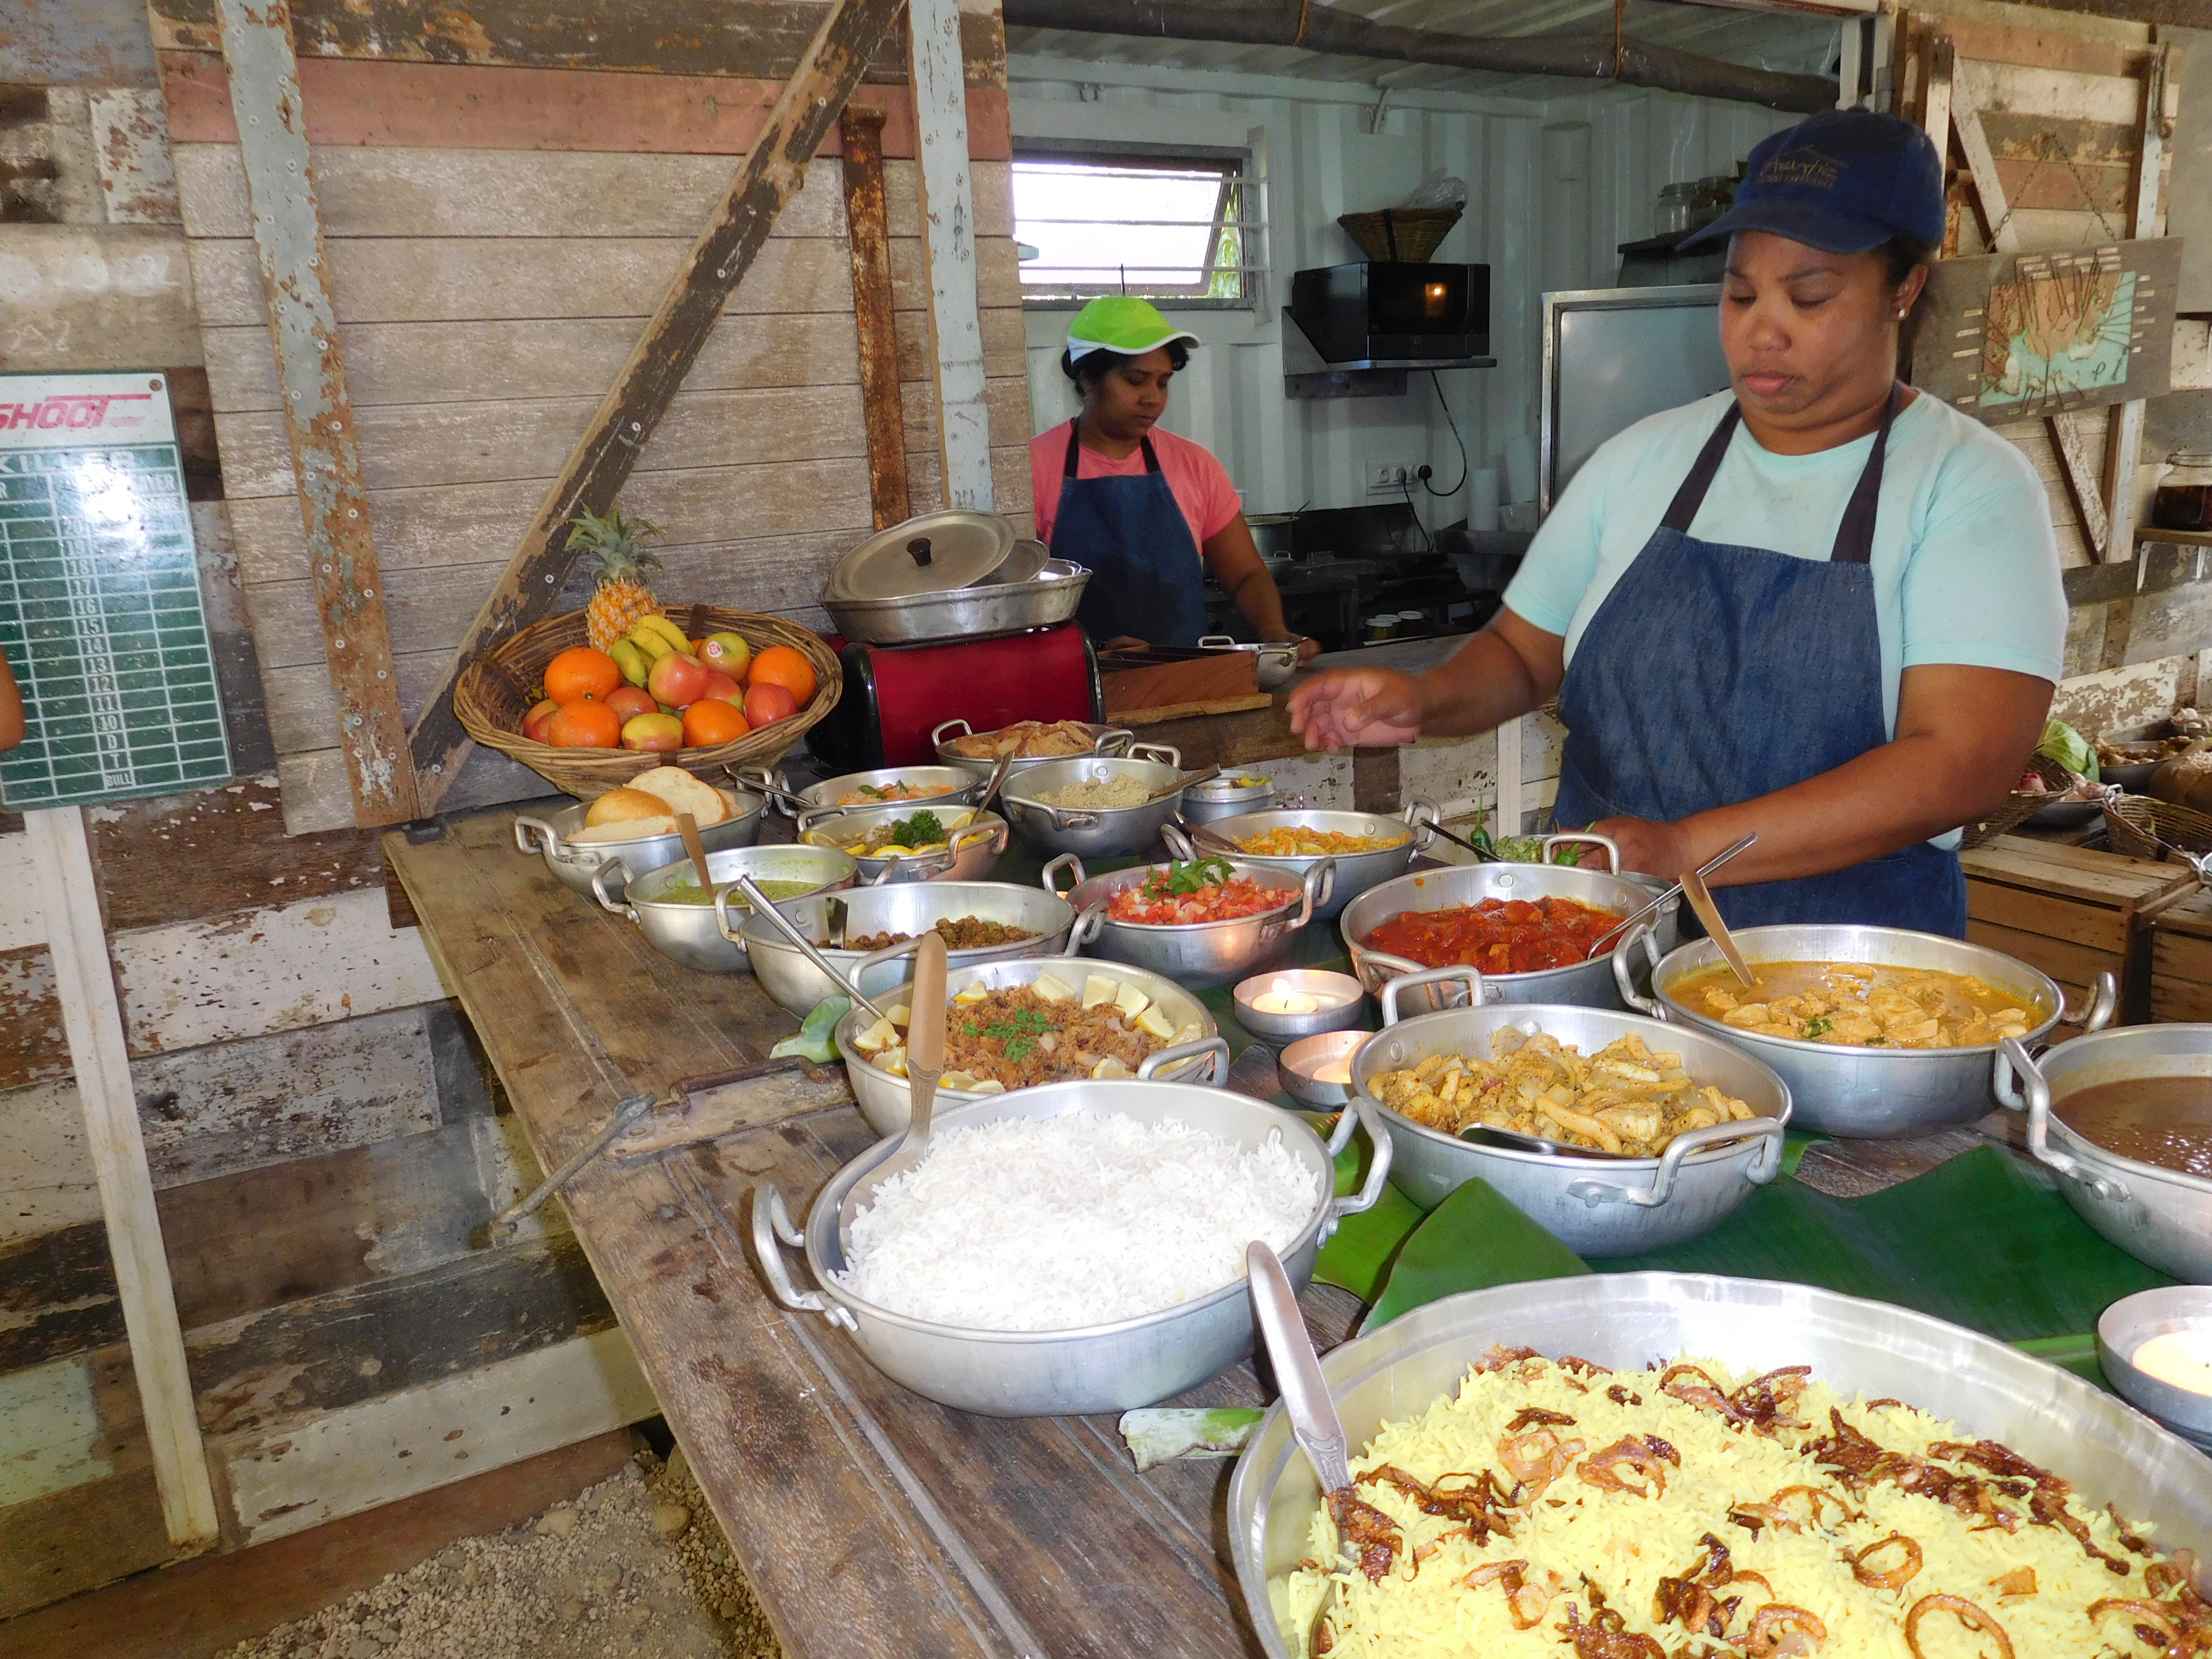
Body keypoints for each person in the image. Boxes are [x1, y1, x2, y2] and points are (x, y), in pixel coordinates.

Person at [1288, 108, 2066, 935]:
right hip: (1599, 939)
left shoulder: (1968, 487)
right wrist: (1424, 698)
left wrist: (1686, 847)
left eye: (1808, 296)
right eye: (1739, 293)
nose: (1760, 330)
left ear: (1903, 289)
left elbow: (1961, 764)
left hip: (1843, 968)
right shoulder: (1642, 460)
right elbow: (1521, 655)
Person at [1031, 297, 1317, 658]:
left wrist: (1273, 631)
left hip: (1185, 676)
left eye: (1163, 383)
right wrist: (1094, 649)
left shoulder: (1194, 465)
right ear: (1088, 378)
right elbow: (1022, 606)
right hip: (1082, 679)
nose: (1153, 399)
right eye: (1136, 381)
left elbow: (1246, 574)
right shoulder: (1035, 468)